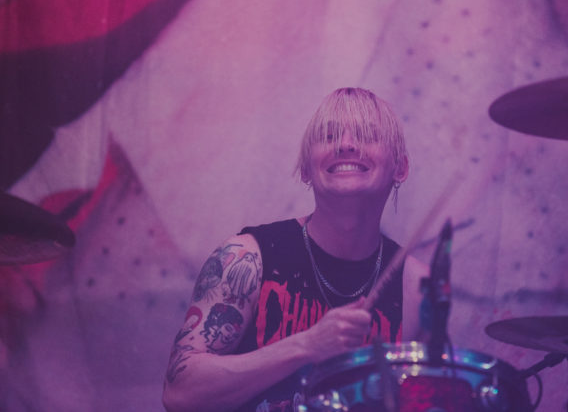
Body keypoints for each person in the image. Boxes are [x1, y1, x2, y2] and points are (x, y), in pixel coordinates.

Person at [162, 87, 427, 412]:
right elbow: (179, 393)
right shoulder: (246, 258)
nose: (345, 144)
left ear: (400, 168)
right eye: (328, 136)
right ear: (305, 169)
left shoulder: (417, 287)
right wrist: (307, 345)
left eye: (367, 135)